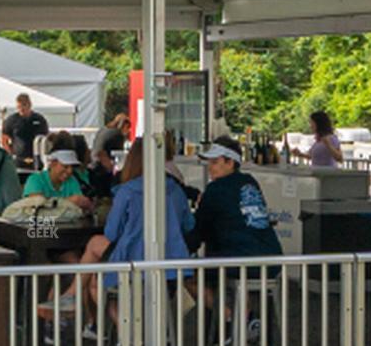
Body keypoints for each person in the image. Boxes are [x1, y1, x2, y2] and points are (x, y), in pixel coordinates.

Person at [40, 143, 192, 323]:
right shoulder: (176, 190)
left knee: (96, 248)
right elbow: (188, 225)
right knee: (98, 278)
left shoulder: (127, 191)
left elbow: (111, 233)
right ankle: (76, 301)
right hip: (170, 268)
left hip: (135, 264)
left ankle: (75, 299)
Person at [186, 137, 282, 260]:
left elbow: (200, 230)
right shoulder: (249, 181)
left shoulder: (215, 188)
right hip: (272, 257)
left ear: (230, 163)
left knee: (195, 272)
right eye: (209, 162)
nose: (209, 167)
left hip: (237, 261)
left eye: (214, 162)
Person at [22, 148, 94, 215]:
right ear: (53, 164)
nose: (70, 171)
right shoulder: (35, 180)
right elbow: (37, 205)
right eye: (65, 166)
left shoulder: (72, 180)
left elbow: (80, 205)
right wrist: (68, 202)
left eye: (72, 167)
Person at [2, 93, 52, 168]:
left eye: (24, 105)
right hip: (19, 160)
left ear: (29, 105)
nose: (21, 109)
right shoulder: (12, 120)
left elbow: (46, 138)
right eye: (19, 107)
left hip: (37, 158)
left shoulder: (39, 119)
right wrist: (11, 154)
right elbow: (4, 139)